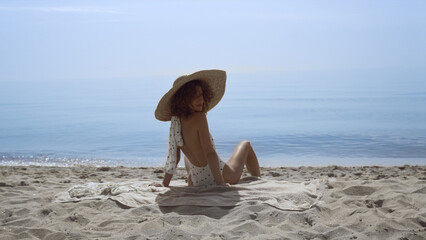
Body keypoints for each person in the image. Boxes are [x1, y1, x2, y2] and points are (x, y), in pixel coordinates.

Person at [152, 69, 260, 187]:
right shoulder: (200, 117)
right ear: (183, 100)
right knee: (246, 144)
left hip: (197, 180)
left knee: (187, 158)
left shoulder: (176, 122)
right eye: (194, 96)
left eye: (201, 94)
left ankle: (192, 177)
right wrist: (220, 184)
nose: (200, 100)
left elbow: (174, 157)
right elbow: (210, 153)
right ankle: (258, 180)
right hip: (220, 176)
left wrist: (165, 184)